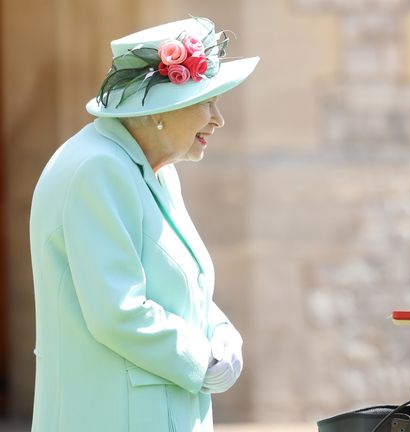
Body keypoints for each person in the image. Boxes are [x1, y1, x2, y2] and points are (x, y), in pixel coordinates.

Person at [29, 17, 259, 431]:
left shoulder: (154, 169)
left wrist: (221, 332)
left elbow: (180, 286)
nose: (218, 119)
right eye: (207, 101)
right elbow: (117, 310)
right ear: (159, 111)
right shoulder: (97, 168)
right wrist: (200, 357)